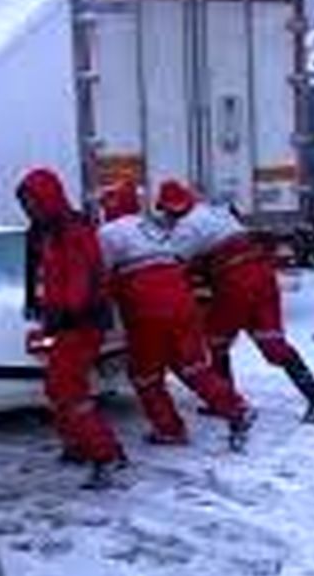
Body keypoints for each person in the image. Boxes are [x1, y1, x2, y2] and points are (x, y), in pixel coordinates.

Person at [156, 179, 314, 424]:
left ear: (169, 208)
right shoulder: (212, 211)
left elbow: (171, 262)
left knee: (217, 340)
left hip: (234, 281)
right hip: (263, 274)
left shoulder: (185, 229)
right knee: (273, 342)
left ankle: (227, 401)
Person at [99, 181, 255, 451]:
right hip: (182, 302)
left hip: (146, 307)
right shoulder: (152, 228)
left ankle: (169, 429)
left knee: (145, 374)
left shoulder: (108, 233)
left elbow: (98, 275)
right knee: (191, 365)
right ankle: (236, 408)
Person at [16, 167, 125, 489]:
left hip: (81, 321)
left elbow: (81, 275)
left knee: (68, 389)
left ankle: (105, 455)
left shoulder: (71, 229)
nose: (28, 208)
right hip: (67, 321)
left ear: (46, 197)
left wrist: (66, 312)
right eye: (25, 203)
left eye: (31, 201)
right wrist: (40, 304)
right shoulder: (48, 230)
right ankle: (78, 445)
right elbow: (48, 277)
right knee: (57, 387)